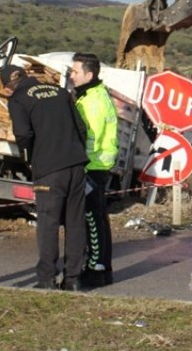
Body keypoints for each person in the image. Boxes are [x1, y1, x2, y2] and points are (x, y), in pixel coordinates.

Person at [1, 64, 89, 291]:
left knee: (48, 223)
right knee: (75, 222)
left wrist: (30, 159)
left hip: (49, 169)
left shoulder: (18, 100)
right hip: (76, 164)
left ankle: (46, 279)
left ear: (9, 87)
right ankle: (73, 279)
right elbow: (81, 127)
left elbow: (23, 135)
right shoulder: (60, 92)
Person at [68, 52, 117, 287]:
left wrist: (79, 163)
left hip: (93, 165)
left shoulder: (93, 100)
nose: (71, 75)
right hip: (97, 164)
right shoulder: (92, 94)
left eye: (75, 71)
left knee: (92, 219)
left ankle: (95, 269)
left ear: (89, 74)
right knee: (98, 217)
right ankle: (102, 267)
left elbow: (92, 137)